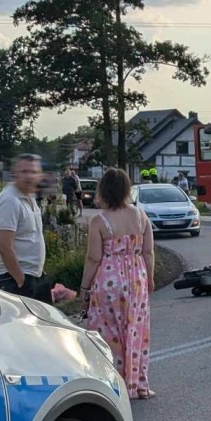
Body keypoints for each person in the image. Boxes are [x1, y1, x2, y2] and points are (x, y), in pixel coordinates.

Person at [81, 167, 156, 399]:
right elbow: (149, 252)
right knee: (136, 330)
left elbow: (94, 257)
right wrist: (150, 278)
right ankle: (139, 384)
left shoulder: (99, 221)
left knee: (108, 333)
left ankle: (113, 383)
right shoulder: (140, 216)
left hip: (109, 280)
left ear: (102, 190)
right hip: (136, 279)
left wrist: (84, 287)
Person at [0, 154, 50, 302]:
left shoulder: (30, 197)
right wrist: (20, 281)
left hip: (33, 275)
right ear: (15, 174)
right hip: (11, 278)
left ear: (40, 175)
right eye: (24, 171)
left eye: (33, 172)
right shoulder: (10, 201)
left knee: (44, 323)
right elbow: (5, 247)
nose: (29, 176)